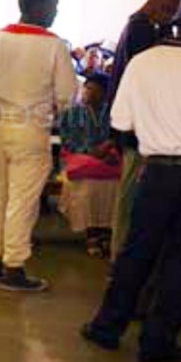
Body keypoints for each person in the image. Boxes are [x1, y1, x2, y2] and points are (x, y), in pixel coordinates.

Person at [81, 0, 181, 362]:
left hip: (156, 175)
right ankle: (156, 344)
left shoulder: (142, 64)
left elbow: (121, 124)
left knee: (137, 254)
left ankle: (107, 328)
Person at [0, 0, 78, 291]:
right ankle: (14, 267)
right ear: (38, 6)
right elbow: (67, 94)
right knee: (23, 201)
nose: (56, 10)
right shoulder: (54, 45)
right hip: (31, 129)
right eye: (54, 4)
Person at [108, 0, 181, 260]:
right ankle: (119, 259)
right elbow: (153, 75)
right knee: (129, 198)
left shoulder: (149, 27)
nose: (173, 11)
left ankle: (127, 256)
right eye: (169, 4)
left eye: (177, 7)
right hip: (136, 129)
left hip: (143, 128)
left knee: (139, 197)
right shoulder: (140, 30)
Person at [57, 72, 120, 258]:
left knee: (114, 185)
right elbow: (66, 140)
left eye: (93, 89)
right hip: (79, 160)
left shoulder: (113, 113)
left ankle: (106, 231)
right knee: (87, 185)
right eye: (87, 88)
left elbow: (117, 138)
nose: (87, 92)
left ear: (104, 92)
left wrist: (108, 148)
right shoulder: (72, 113)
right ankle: (91, 232)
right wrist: (88, 152)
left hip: (107, 160)